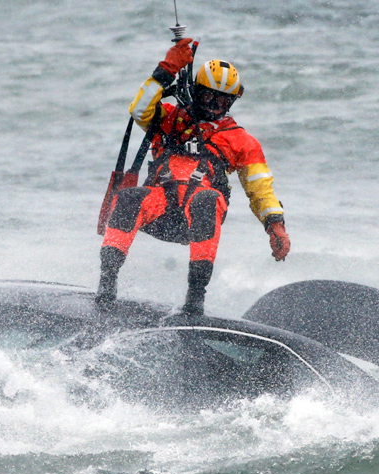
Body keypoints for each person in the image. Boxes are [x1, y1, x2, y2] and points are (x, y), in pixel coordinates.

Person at [96, 38, 291, 315]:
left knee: (206, 200)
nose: (213, 105)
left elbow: (261, 190)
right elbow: (138, 110)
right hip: (160, 209)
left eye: (222, 100)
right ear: (196, 91)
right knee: (128, 197)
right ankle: (106, 286)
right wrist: (166, 70)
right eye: (208, 96)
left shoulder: (243, 141)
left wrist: (275, 225)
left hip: (200, 216)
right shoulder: (170, 117)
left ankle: (195, 299)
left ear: (233, 101)